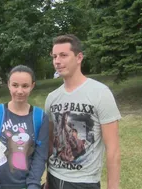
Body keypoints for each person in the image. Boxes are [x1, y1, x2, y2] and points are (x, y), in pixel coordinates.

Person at [43, 34, 121, 189]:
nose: (57, 61)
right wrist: (47, 179)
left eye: (63, 55)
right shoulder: (52, 98)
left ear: (79, 58)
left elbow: (113, 148)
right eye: (54, 56)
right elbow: (50, 144)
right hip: (54, 178)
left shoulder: (100, 93)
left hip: (84, 182)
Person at [0, 65, 50, 189]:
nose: (20, 91)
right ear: (8, 85)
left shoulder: (40, 117)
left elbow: (40, 157)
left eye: (25, 86)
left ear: (32, 86)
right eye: (15, 85)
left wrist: (33, 185)